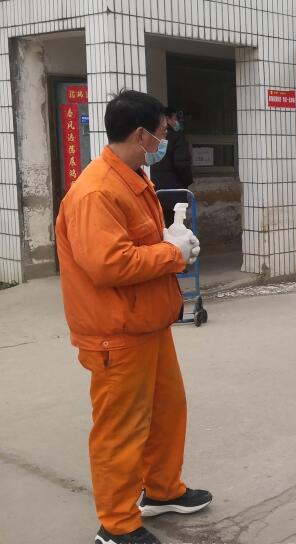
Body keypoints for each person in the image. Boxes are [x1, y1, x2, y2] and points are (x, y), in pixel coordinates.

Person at [55, 90, 210, 544]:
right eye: (161, 132)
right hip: (116, 333)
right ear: (141, 135)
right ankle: (117, 525)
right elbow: (108, 264)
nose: (164, 140)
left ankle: (162, 489)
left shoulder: (132, 178)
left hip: (147, 323)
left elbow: (137, 241)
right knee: (120, 430)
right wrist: (171, 253)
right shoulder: (96, 192)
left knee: (167, 411)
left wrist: (171, 238)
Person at [152, 106, 194, 227]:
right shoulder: (176, 137)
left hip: (153, 191)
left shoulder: (151, 135)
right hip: (173, 193)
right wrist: (187, 181)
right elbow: (182, 164)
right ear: (166, 119)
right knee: (173, 228)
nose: (177, 122)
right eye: (175, 118)